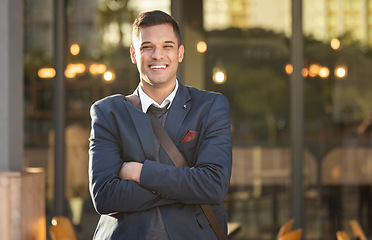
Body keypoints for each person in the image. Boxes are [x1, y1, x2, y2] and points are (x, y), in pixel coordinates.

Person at [89, 10, 232, 239]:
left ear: (180, 53)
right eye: (147, 47)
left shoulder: (210, 107)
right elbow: (105, 196)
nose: (158, 55)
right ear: (134, 54)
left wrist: (140, 172)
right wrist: (189, 182)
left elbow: (213, 185)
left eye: (167, 46)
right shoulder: (107, 113)